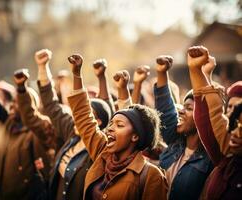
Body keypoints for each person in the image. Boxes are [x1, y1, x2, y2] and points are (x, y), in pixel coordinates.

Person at [67, 53, 168, 200]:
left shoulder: (151, 175)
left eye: (119, 125)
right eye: (111, 124)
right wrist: (76, 74)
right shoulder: (103, 152)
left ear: (135, 136)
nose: (110, 129)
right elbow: (84, 118)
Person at [35, 49, 111, 200]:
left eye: (84, 116)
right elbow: (51, 106)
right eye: (77, 115)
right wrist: (43, 68)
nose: (78, 119)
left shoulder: (101, 147)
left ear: (99, 122)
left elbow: (107, 109)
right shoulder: (72, 129)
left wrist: (101, 77)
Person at [0, 60, 51, 200]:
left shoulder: (36, 131)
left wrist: (22, 88)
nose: (12, 106)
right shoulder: (8, 123)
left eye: (18, 103)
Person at [154, 55, 213, 200]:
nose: (180, 111)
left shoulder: (211, 158)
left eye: (188, 108)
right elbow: (166, 111)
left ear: (202, 116)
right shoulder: (174, 142)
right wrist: (162, 73)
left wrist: (201, 71)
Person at [188, 45, 242, 200]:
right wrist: (196, 70)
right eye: (230, 107)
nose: (237, 131)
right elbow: (209, 115)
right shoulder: (229, 155)